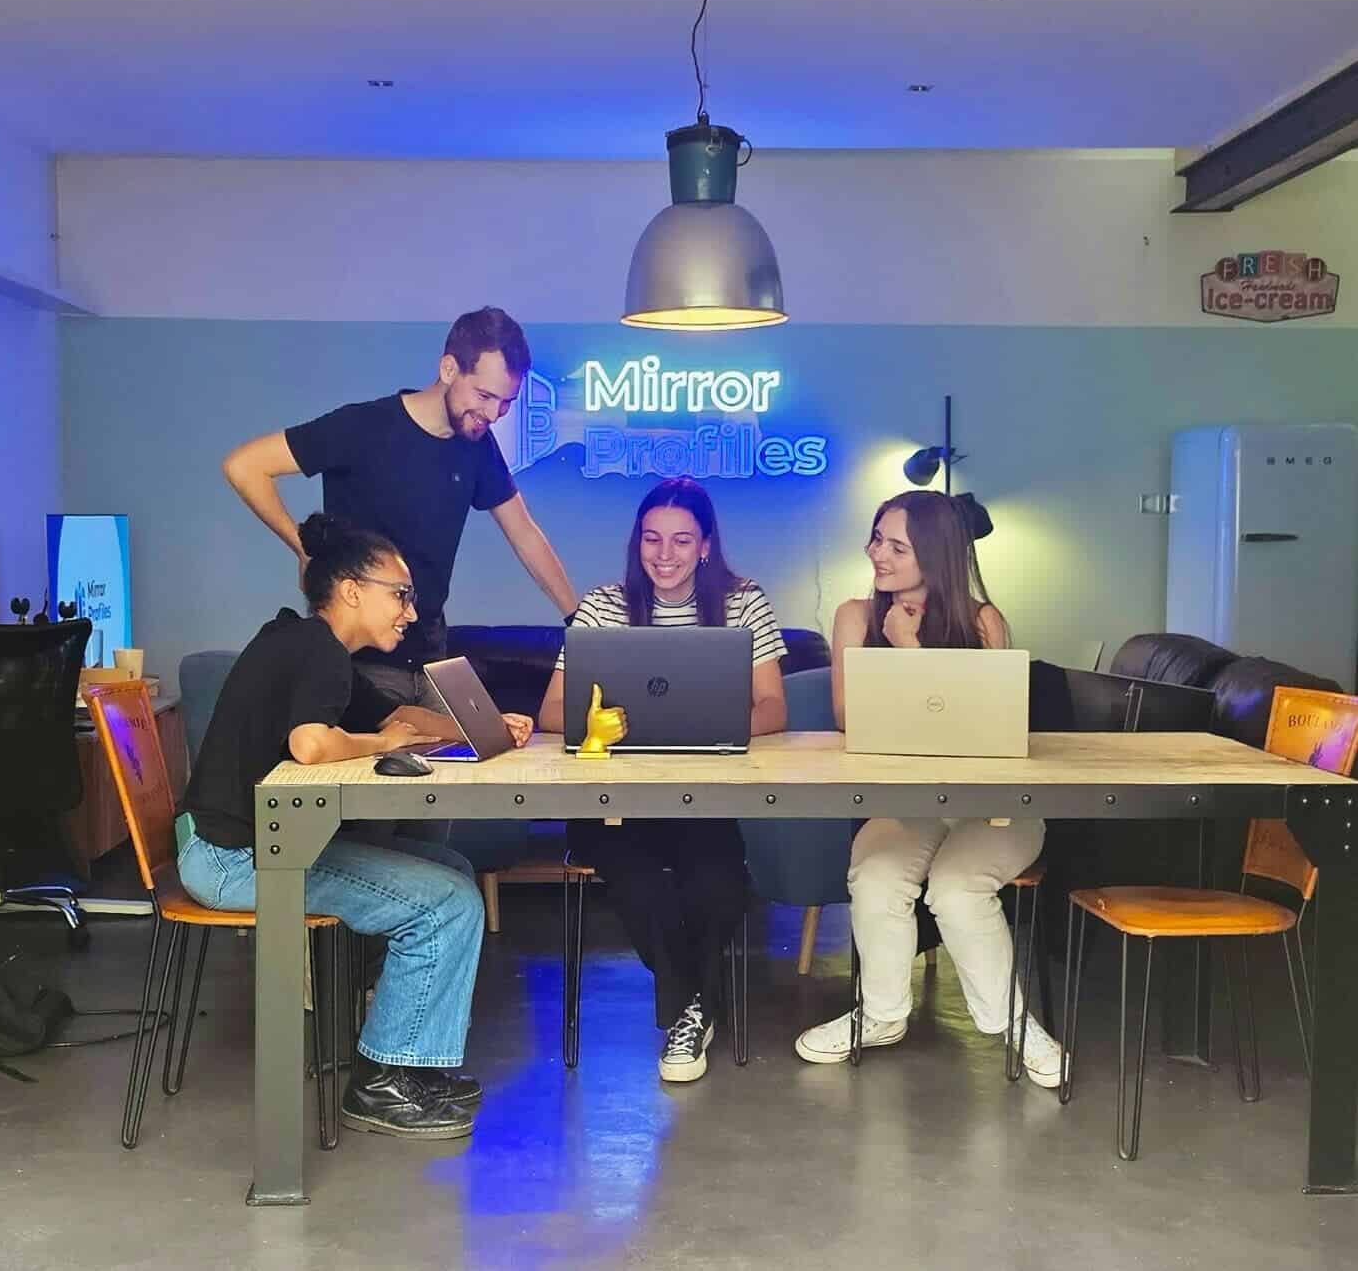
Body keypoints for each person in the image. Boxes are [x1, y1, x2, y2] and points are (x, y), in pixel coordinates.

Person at [176, 512, 534, 1138]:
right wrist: (375, 742)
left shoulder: (315, 647)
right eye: (400, 595)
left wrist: (490, 728)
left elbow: (402, 717)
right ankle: (381, 1085)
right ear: (349, 589)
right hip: (236, 859)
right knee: (446, 902)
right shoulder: (314, 649)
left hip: (237, 846)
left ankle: (411, 1065)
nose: (410, 612)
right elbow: (312, 745)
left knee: (449, 871)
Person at [793, 490, 1062, 1088]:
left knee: (958, 886)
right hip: (913, 802)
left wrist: (911, 650)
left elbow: (988, 727)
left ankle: (1013, 1028)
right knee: (877, 871)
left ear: (935, 556)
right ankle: (882, 1015)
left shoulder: (983, 621)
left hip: (995, 806)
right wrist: (891, 645)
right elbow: (848, 719)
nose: (877, 554)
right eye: (875, 539)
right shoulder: (855, 618)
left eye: (896, 546)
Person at [538, 478, 787, 1083]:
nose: (665, 554)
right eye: (652, 539)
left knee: (719, 885)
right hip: (614, 800)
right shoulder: (602, 607)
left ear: (705, 544)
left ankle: (687, 1005)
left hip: (705, 796)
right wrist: (600, 722)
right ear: (637, 542)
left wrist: (707, 725)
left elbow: (774, 709)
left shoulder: (742, 601)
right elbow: (550, 714)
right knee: (641, 881)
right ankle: (691, 1008)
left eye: (681, 540)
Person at [221, 306, 578, 720]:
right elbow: (245, 466)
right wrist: (302, 547)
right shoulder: (362, 426)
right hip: (359, 663)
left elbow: (525, 534)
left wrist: (579, 618)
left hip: (432, 661)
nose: (494, 414)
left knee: (478, 760)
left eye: (507, 402)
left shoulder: (477, 446)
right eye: (484, 396)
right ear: (448, 369)